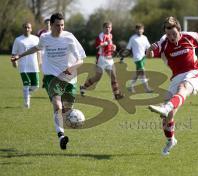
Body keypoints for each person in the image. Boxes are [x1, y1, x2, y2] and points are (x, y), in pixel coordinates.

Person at [147, 16, 198, 155]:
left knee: (183, 89)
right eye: (168, 34)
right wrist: (149, 49)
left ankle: (166, 107)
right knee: (168, 117)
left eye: (173, 33)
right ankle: (171, 140)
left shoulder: (190, 36)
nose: (171, 37)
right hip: (176, 77)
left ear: (179, 30)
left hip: (194, 73)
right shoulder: (163, 42)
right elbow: (149, 56)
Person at [11, 13, 86, 150]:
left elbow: (81, 59)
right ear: (51, 25)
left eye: (62, 25)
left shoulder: (69, 38)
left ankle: (65, 124)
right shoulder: (45, 38)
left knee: (66, 111)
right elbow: (36, 48)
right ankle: (61, 136)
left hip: (70, 78)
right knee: (57, 106)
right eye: (57, 25)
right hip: (52, 76)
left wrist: (72, 67)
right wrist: (19, 55)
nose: (60, 28)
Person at [80, 22, 124, 100]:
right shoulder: (101, 36)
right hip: (101, 59)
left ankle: (116, 94)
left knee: (114, 76)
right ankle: (83, 87)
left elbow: (110, 45)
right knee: (97, 77)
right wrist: (107, 43)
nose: (108, 29)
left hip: (109, 58)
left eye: (109, 27)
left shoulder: (110, 35)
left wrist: (113, 46)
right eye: (106, 27)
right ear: (103, 28)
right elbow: (98, 46)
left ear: (111, 28)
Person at [11, 22, 41, 108]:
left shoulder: (36, 39)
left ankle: (27, 93)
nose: (27, 29)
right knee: (26, 84)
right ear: (23, 28)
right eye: (25, 27)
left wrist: (39, 63)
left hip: (34, 65)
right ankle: (26, 103)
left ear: (31, 29)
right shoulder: (18, 40)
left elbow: (39, 52)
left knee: (36, 86)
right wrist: (14, 63)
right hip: (23, 65)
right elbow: (14, 53)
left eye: (28, 27)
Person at [126, 23, 153, 93]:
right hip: (137, 58)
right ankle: (147, 88)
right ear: (135, 30)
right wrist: (123, 55)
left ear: (143, 30)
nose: (139, 31)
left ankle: (130, 86)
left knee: (137, 73)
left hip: (143, 58)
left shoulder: (145, 38)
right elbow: (128, 48)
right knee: (142, 72)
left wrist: (151, 52)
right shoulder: (132, 38)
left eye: (140, 29)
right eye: (138, 29)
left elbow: (149, 47)